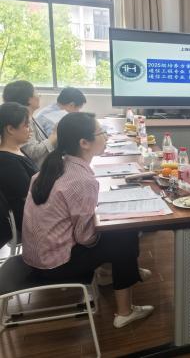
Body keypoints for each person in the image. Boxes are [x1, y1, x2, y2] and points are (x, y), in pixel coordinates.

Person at [22, 112, 153, 328]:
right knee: (125, 235)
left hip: (37, 257)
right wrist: (108, 222)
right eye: (101, 133)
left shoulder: (52, 167)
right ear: (84, 143)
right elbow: (85, 238)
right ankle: (125, 312)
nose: (106, 137)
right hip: (57, 265)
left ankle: (108, 273)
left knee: (117, 232)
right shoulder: (81, 179)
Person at [0, 102, 38, 244]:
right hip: (31, 220)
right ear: (10, 129)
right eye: (26, 126)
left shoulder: (16, 150)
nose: (30, 130)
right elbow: (30, 196)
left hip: (37, 211)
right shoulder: (7, 161)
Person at [2, 80, 57, 167]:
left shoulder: (32, 118)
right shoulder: (23, 124)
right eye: (36, 93)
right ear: (29, 99)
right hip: (37, 171)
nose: (39, 96)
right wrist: (54, 136)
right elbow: (32, 152)